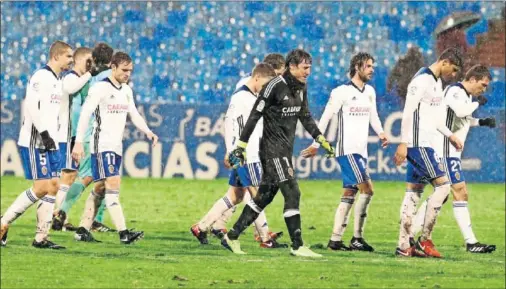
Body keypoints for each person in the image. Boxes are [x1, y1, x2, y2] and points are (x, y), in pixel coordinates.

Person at [222, 49, 335, 257]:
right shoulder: (274, 86)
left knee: (264, 196)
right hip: (271, 150)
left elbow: (305, 115)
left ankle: (232, 235)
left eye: (309, 67)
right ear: (292, 67)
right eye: (305, 67)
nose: (308, 72)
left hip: (285, 150)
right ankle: (298, 245)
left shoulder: (301, 87)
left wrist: (320, 139)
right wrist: (241, 146)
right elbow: (255, 115)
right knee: (293, 192)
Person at [301, 52, 388, 252]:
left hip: (361, 152)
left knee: (350, 193)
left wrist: (381, 133)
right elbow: (326, 117)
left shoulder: (370, 92)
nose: (372, 69)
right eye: (368, 66)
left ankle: (335, 240)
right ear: (357, 67)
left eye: (372, 66)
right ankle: (357, 238)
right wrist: (316, 144)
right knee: (368, 189)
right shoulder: (341, 92)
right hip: (346, 151)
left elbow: (373, 115)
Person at [191, 63, 285, 248]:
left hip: (247, 153)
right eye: (266, 85)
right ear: (257, 78)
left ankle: (201, 227)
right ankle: (265, 237)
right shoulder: (242, 98)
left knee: (236, 195)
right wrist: (231, 150)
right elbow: (230, 123)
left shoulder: (252, 95)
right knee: (257, 196)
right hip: (246, 155)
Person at [72, 52, 158, 244]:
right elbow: (85, 114)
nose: (128, 74)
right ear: (113, 67)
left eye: (130, 71)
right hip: (101, 144)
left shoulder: (126, 90)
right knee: (113, 184)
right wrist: (78, 142)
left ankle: (82, 229)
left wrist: (148, 131)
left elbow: (134, 114)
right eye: (124, 70)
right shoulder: (100, 88)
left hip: (115, 146)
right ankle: (124, 233)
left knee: (101, 187)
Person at [410, 64, 496, 254]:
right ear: (472, 79)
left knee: (443, 194)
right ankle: (471, 242)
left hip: (451, 153)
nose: (483, 89)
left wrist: (481, 122)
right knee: (459, 191)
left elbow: (465, 119)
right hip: (444, 151)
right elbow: (460, 111)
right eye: (482, 85)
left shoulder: (465, 96)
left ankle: (410, 232)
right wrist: (478, 103)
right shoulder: (455, 91)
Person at [0, 41, 73, 249]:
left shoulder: (59, 80)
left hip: (50, 141)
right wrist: (44, 133)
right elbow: (31, 105)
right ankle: (3, 222)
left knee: (53, 186)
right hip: (36, 140)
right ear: (56, 56)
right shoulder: (41, 76)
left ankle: (41, 238)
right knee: (41, 187)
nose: (70, 61)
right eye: (68, 57)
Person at [393, 47, 464, 258]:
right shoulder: (421, 81)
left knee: (414, 192)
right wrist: (403, 143)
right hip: (417, 144)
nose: (454, 75)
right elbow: (407, 112)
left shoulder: (437, 83)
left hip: (426, 144)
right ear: (444, 62)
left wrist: (450, 135)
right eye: (453, 70)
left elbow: (435, 118)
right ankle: (425, 239)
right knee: (443, 187)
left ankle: (404, 245)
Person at [52, 43, 116, 233]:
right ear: (111, 62)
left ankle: (64, 212)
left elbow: (80, 109)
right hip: (99, 135)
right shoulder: (110, 79)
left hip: (86, 134)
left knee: (89, 176)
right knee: (100, 177)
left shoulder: (88, 80)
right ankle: (89, 218)